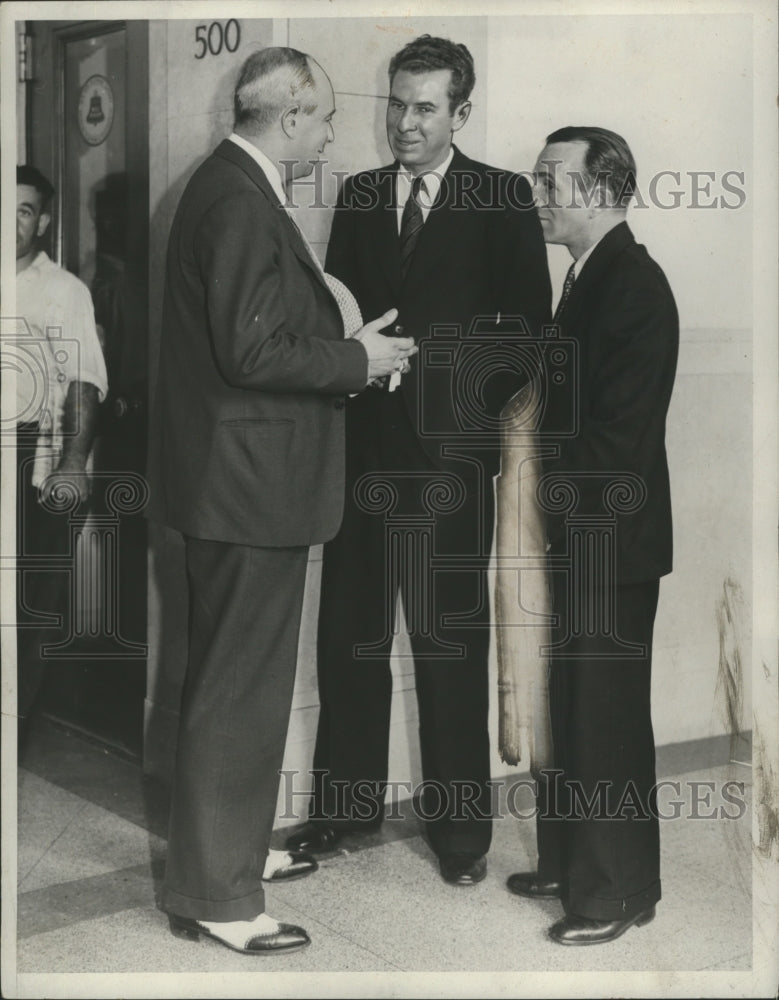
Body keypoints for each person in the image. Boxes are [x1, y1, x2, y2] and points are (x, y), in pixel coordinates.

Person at [146, 48, 416, 956]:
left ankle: (225, 858)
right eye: (328, 116)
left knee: (233, 685)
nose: (334, 132)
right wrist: (358, 362)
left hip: (235, 483)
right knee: (238, 692)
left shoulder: (227, 188)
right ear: (291, 114)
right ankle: (220, 901)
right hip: (248, 490)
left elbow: (253, 334)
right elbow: (250, 355)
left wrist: (344, 340)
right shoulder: (235, 199)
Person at [287, 35, 551, 886]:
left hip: (450, 464)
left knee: (446, 648)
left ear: (459, 113)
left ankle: (461, 837)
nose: (404, 122)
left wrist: (437, 374)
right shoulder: (361, 195)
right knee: (350, 641)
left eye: (424, 107)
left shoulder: (501, 195)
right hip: (361, 454)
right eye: (396, 104)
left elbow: (527, 331)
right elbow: (336, 316)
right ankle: (343, 812)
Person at [506, 127, 679, 945]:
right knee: (569, 708)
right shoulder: (585, 279)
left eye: (550, 181)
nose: (537, 195)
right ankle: (570, 861)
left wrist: (548, 503)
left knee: (603, 719)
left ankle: (615, 893)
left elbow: (618, 441)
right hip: (578, 534)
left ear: (601, 190)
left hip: (606, 541)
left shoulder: (634, 288)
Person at [14, 165, 108, 741]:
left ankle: (11, 735)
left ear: (43, 222)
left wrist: (73, 466)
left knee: (31, 610)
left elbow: (84, 384)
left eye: (24, 210)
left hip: (37, 462)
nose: (12, 220)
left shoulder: (65, 290)